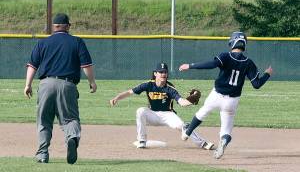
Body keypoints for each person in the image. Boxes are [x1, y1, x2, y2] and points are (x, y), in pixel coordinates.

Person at [179, 31, 273, 159]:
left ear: (232, 42)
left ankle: (187, 132)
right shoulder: (248, 62)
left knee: (203, 112)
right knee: (226, 130)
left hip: (217, 95)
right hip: (232, 101)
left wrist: (190, 66)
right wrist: (267, 74)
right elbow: (256, 84)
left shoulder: (226, 56)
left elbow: (211, 65)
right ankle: (223, 141)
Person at [24, 13, 97, 164]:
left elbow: (32, 66)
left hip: (46, 84)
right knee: (70, 119)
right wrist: (92, 82)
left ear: (54, 26)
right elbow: (86, 66)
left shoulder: (42, 43)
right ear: (68, 26)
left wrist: (28, 85)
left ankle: (42, 154)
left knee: (44, 120)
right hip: (67, 84)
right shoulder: (77, 42)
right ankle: (71, 137)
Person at [110, 62, 214, 150]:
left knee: (183, 126)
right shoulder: (148, 85)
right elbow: (129, 92)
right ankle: (141, 140)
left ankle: (203, 144)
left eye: (165, 72)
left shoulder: (170, 88)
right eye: (160, 72)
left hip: (168, 115)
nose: (163, 74)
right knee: (140, 111)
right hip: (152, 114)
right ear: (155, 73)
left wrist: (191, 100)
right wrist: (116, 98)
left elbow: (181, 102)